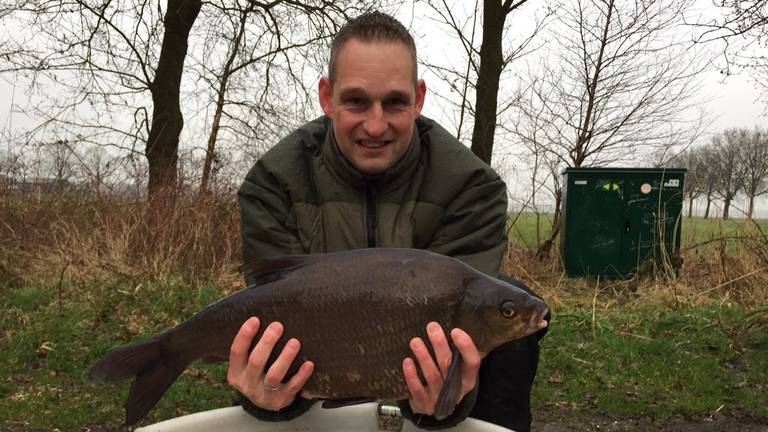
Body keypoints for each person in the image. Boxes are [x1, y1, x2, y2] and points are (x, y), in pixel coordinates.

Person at [230, 11, 549, 432]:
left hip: (417, 350)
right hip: (320, 346)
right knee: (260, 346)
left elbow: (461, 335)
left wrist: (444, 402)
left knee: (509, 318)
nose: (375, 125)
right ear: (327, 96)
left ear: (418, 99)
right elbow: (267, 304)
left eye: (395, 102)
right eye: (357, 101)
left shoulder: (473, 188)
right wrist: (268, 399)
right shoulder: (274, 182)